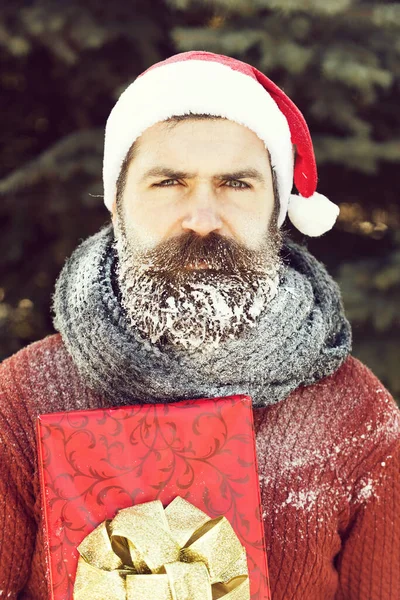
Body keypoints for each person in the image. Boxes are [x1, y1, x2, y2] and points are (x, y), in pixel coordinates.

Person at [0, 50, 399, 600]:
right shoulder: (23, 400)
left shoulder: (354, 414)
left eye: (237, 184)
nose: (203, 219)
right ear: (116, 203)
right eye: (169, 183)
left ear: (277, 207)